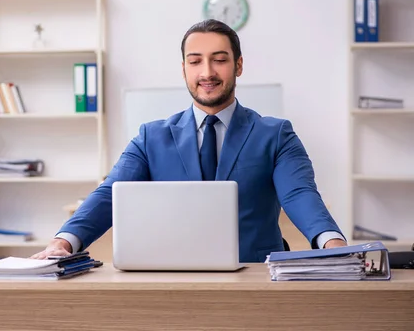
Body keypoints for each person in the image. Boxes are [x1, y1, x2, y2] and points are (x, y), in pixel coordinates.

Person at [31, 19, 347, 263]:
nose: (206, 72)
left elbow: (300, 194)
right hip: (175, 278)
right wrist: (63, 242)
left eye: (219, 59)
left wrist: (332, 245)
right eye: (195, 61)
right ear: (184, 69)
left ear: (238, 65)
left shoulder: (276, 135)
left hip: (255, 276)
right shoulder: (150, 137)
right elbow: (109, 195)